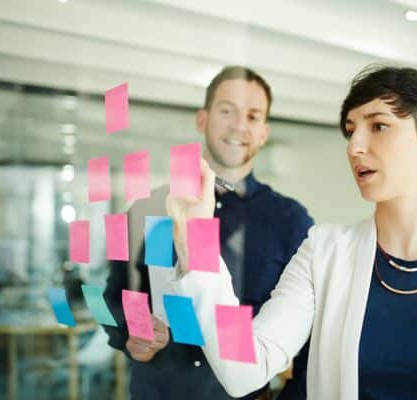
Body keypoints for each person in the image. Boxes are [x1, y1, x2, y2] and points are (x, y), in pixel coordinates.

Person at [164, 65, 417, 399]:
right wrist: (197, 241)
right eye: (351, 131)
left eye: (379, 126)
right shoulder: (323, 253)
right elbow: (243, 367)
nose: (355, 146)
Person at [103, 66, 313, 400]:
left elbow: (307, 331)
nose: (239, 125)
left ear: (264, 132)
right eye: (227, 110)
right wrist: (132, 331)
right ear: (203, 119)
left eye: (253, 116)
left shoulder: (290, 222)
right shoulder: (153, 207)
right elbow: (115, 294)